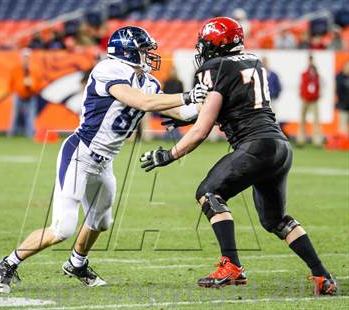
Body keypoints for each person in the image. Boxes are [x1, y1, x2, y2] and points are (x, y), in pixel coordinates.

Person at [0, 26, 207, 293]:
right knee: (63, 228)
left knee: (101, 222)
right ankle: (7, 264)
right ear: (128, 52)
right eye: (144, 50)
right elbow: (142, 102)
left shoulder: (149, 82)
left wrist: (208, 102)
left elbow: (182, 113)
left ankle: (77, 263)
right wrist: (187, 95)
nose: (149, 54)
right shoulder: (109, 70)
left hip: (104, 161)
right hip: (80, 155)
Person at [140, 17, 337, 296]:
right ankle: (322, 276)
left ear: (216, 45)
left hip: (254, 145)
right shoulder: (253, 60)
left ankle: (231, 265)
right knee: (276, 221)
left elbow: (202, 130)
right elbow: (232, 104)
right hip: (279, 145)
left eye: (206, 43)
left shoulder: (214, 67)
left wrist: (169, 154)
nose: (203, 49)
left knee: (209, 193)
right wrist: (190, 119)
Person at [8, 48, 43, 138]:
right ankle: (11, 134)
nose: (25, 59)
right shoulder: (16, 69)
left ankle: (30, 134)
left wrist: (33, 88)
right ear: (21, 58)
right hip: (19, 95)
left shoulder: (34, 70)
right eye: (24, 57)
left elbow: (39, 84)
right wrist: (16, 90)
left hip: (31, 96)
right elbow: (11, 83)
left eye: (27, 57)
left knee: (30, 117)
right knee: (15, 116)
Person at [297, 54, 322, 146]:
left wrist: (318, 96)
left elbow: (319, 87)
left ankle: (317, 140)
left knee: (316, 120)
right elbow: (301, 86)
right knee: (302, 120)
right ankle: (301, 139)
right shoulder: (304, 74)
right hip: (305, 99)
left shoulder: (317, 75)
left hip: (314, 100)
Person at [336, 61, 349, 136]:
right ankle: (341, 143)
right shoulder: (340, 77)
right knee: (342, 126)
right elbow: (338, 91)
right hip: (343, 105)